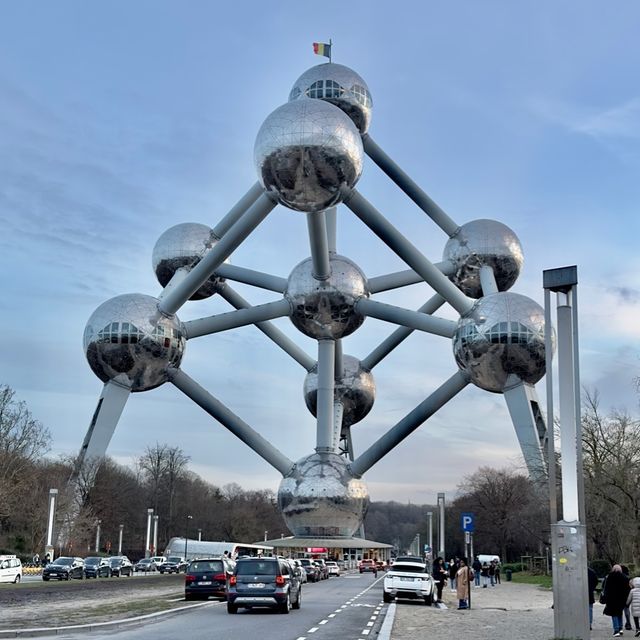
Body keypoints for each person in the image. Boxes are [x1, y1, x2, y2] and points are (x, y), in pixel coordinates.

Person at [603, 564, 632, 637]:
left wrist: (606, 598)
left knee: (614, 614)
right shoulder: (624, 577)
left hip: (612, 599)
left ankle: (616, 630)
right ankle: (620, 628)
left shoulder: (610, 577)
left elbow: (606, 588)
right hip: (621, 599)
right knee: (619, 613)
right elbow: (627, 589)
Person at [587, 566, 598, 631]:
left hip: (579, 593)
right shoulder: (592, 572)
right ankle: (589, 623)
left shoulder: (578, 571)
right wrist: (592, 588)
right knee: (589, 609)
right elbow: (596, 581)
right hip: (589, 593)